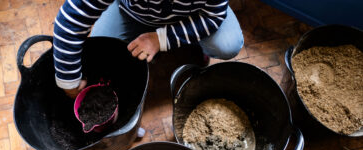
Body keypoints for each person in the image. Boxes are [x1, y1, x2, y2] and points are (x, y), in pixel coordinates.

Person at [53, 0, 244, 98]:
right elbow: (70, 21)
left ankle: (191, 41)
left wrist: (161, 39)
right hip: (132, 14)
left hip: (192, 17)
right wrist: (68, 81)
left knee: (228, 45)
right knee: (100, 53)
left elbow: (213, 16)